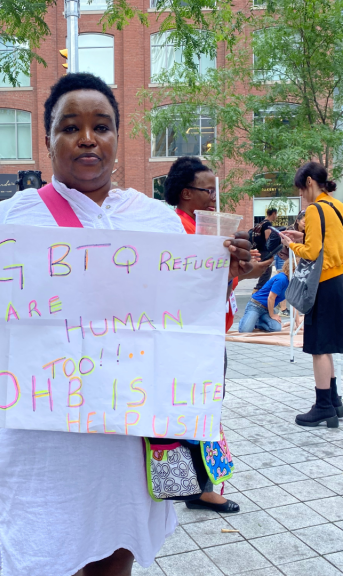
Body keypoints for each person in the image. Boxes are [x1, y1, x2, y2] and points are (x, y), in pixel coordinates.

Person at [0, 73, 254, 576]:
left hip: (124, 438)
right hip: (40, 442)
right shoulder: (9, 220)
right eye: (70, 127)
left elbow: (178, 325)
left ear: (117, 137)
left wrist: (220, 279)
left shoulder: (156, 222)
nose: (87, 138)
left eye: (101, 126)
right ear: (47, 140)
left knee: (115, 555)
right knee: (42, 553)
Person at [163, 155, 245, 514]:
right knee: (201, 407)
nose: (214, 197)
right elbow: (193, 288)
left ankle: (190, 484)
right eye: (207, 190)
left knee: (191, 408)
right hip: (194, 337)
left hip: (198, 333)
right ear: (185, 193)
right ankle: (200, 488)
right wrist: (235, 272)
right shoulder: (183, 231)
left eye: (215, 190)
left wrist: (241, 269)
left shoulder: (197, 228)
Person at [283, 162, 343, 427]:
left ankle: (323, 407)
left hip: (324, 282)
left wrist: (291, 243)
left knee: (319, 347)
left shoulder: (315, 209)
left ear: (309, 182)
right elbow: (329, 241)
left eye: (300, 189)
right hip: (339, 280)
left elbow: (312, 252)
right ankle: (334, 402)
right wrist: (304, 235)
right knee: (327, 343)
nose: (301, 195)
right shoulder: (336, 205)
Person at [238, 262, 290, 333]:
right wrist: (272, 315)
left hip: (267, 309)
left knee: (276, 328)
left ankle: (256, 321)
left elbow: (295, 301)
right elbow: (271, 297)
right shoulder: (282, 279)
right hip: (256, 305)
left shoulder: (292, 282)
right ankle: (248, 320)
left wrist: (298, 323)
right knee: (245, 330)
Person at [252, 207, 283, 292]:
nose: (276, 216)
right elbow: (268, 238)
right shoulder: (267, 224)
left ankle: (259, 290)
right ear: (273, 213)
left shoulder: (262, 222)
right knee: (266, 272)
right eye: (276, 214)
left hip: (259, 250)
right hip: (265, 251)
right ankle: (258, 290)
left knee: (264, 271)